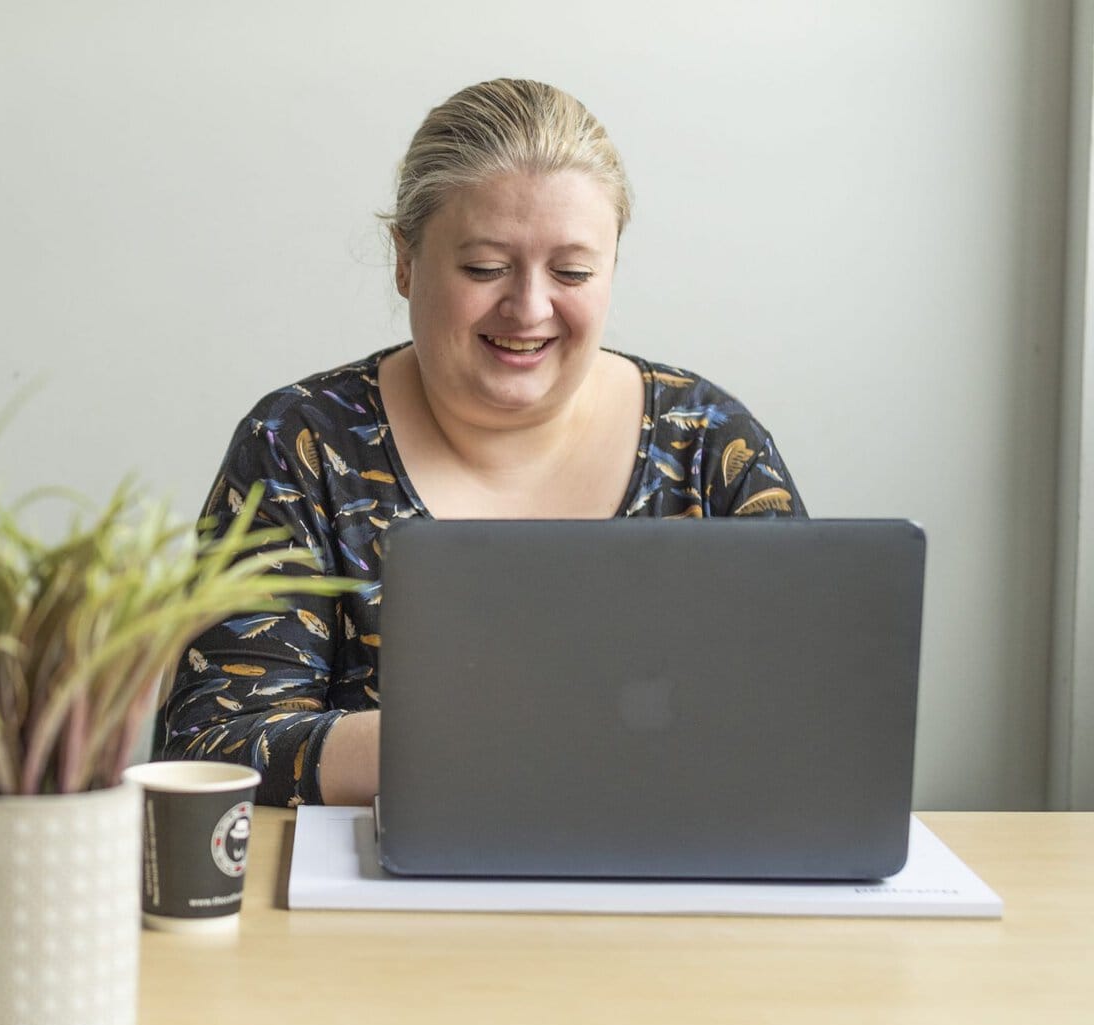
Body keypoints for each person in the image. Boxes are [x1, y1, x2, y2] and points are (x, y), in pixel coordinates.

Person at [156, 78, 806, 808]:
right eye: (485, 268)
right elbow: (214, 742)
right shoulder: (299, 444)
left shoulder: (709, 446)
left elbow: (810, 721)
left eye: (573, 272)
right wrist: (516, 737)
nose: (529, 308)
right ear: (404, 260)